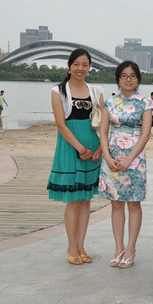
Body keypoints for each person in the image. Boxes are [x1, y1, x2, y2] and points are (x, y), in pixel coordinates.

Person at [47, 48, 103, 265]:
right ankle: (71, 246)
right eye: (76, 64)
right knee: (73, 201)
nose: (80, 68)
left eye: (85, 65)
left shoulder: (96, 90)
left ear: (90, 67)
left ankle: (81, 245)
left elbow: (103, 122)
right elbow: (61, 124)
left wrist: (99, 149)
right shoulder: (58, 91)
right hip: (71, 149)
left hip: (92, 150)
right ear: (69, 66)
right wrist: (80, 149)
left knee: (85, 200)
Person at [98, 61, 153, 269]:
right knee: (116, 203)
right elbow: (104, 132)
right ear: (118, 78)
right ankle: (118, 248)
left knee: (134, 203)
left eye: (132, 76)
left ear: (138, 78)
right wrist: (107, 156)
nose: (128, 79)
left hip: (135, 158)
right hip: (112, 156)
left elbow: (146, 134)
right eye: (124, 75)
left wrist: (129, 158)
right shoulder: (110, 103)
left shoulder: (145, 103)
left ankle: (131, 248)